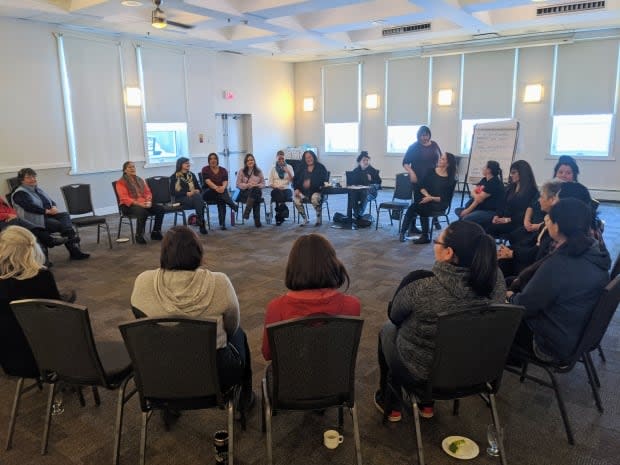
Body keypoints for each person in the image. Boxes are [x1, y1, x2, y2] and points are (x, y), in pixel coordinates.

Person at [374, 221, 505, 421]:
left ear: (448, 253)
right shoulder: (497, 281)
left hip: (422, 374)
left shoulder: (422, 285)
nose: (435, 244)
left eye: (437, 241)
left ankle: (391, 405)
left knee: (388, 331)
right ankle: (426, 406)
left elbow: (395, 316)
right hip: (476, 370)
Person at [131, 226, 253, 411]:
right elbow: (231, 324)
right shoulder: (219, 282)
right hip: (215, 372)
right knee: (239, 334)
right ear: (199, 252)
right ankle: (245, 399)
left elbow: (140, 319)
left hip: (161, 370)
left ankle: (168, 406)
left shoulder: (143, 281)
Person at [508, 198, 610, 364]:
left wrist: (510, 297)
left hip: (550, 344)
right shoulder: (594, 251)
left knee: (489, 320)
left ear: (557, 226)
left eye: (549, 218)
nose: (546, 222)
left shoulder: (561, 264)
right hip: (573, 334)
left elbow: (524, 306)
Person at [262, 233, 360, 361]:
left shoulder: (277, 307)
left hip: (292, 378)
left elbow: (268, 353)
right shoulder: (352, 305)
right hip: (336, 377)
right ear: (332, 263)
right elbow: (346, 349)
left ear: (293, 267)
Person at [0, 226, 63, 378]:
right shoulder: (41, 277)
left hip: (10, 360)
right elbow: (56, 316)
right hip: (47, 358)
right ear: (32, 247)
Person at [11, 168, 89, 260]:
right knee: (58, 225)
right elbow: (30, 207)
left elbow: (50, 201)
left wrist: (54, 207)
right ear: (22, 180)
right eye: (29, 177)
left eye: (34, 176)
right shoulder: (20, 193)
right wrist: (47, 211)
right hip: (33, 219)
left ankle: (69, 237)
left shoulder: (37, 189)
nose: (33, 179)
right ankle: (73, 248)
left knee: (64, 215)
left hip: (47, 215)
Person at [497, 180, 562, 278]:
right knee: (504, 249)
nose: (539, 200)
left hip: (533, 267)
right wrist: (512, 250)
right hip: (530, 256)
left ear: (552, 200)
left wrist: (513, 253)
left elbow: (536, 253)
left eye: (542, 197)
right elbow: (533, 241)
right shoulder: (548, 219)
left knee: (502, 259)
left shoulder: (554, 226)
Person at [400, 152, 457, 244]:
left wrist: (431, 198)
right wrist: (428, 196)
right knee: (414, 206)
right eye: (440, 158)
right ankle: (403, 232)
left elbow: (446, 198)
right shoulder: (431, 171)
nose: (439, 160)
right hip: (428, 199)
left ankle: (425, 236)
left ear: (448, 163)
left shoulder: (451, 179)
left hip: (440, 203)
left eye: (442, 159)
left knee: (421, 206)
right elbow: (421, 186)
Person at [114, 161, 165, 244]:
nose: (132, 168)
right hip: (128, 206)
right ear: (125, 170)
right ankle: (139, 235)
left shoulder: (139, 179)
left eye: (133, 167)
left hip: (143, 203)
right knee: (142, 212)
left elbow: (147, 192)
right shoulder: (121, 182)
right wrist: (139, 204)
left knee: (160, 209)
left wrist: (148, 201)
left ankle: (155, 232)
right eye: (130, 167)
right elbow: (124, 198)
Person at [402, 126, 441, 231]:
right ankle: (413, 226)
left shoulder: (435, 145)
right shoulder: (414, 147)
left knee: (432, 199)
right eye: (422, 135)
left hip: (433, 179)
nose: (425, 137)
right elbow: (405, 163)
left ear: (429, 135)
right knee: (419, 202)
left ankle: (435, 219)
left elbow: (440, 160)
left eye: (426, 135)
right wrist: (411, 173)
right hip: (419, 179)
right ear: (418, 136)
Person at [486, 160, 539, 236]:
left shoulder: (531, 191)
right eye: (511, 173)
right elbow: (502, 204)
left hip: (517, 222)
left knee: (491, 229)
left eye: (514, 173)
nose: (511, 175)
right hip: (505, 219)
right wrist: (497, 215)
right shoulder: (511, 187)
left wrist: (507, 220)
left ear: (522, 173)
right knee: (485, 224)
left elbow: (524, 213)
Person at [0, 195, 67, 250]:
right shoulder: (19, 193)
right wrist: (7, 215)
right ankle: (49, 240)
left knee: (30, 230)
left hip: (8, 219)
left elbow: (8, 209)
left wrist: (13, 215)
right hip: (3, 221)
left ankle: (44, 254)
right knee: (22, 224)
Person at [456, 160, 504, 224]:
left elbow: (478, 200)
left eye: (484, 166)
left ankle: (462, 228)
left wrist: (467, 211)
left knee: (466, 217)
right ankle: (462, 227)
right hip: (480, 207)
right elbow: (473, 192)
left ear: (489, 170)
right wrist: (476, 196)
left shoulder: (494, 182)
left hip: (490, 211)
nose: (482, 168)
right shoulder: (484, 180)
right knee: (458, 210)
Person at [170, 157, 207, 235]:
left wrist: (197, 190)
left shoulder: (192, 175)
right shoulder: (174, 176)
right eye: (186, 163)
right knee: (199, 201)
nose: (188, 164)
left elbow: (199, 188)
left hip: (193, 198)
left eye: (188, 163)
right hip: (180, 198)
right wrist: (186, 193)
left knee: (197, 197)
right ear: (180, 165)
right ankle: (201, 222)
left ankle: (200, 221)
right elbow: (173, 192)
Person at [201, 152, 238, 230]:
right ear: (208, 161)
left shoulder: (223, 170)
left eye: (214, 158)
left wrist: (223, 187)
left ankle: (222, 224)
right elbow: (208, 181)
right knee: (222, 194)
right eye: (211, 159)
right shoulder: (205, 169)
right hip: (208, 192)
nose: (213, 160)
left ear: (217, 160)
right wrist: (217, 188)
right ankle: (232, 205)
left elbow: (225, 181)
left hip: (220, 193)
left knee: (221, 198)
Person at [293, 150, 329, 227]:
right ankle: (305, 219)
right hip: (303, 192)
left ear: (313, 157)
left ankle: (318, 219)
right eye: (306, 158)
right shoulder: (301, 168)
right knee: (295, 199)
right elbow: (295, 180)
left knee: (315, 198)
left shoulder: (320, 167)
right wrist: (296, 189)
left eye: (310, 157)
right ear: (304, 159)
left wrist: (311, 183)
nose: (309, 159)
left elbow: (324, 181)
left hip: (317, 191)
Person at [348, 151, 381, 220]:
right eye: (364, 160)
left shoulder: (373, 170)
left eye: (367, 160)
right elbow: (351, 182)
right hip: (357, 192)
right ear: (359, 162)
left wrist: (371, 180)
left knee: (364, 193)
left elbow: (379, 183)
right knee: (352, 194)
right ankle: (358, 215)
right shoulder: (356, 170)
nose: (366, 162)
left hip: (370, 193)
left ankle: (358, 214)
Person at [235, 153, 265, 228]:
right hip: (245, 193)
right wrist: (247, 185)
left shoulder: (259, 171)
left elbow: (263, 183)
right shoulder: (241, 171)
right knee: (256, 196)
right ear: (245, 162)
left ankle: (247, 213)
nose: (250, 161)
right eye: (248, 160)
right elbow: (238, 184)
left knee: (255, 190)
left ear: (254, 161)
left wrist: (257, 185)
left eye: (251, 160)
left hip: (255, 192)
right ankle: (257, 221)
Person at [268, 150, 294, 226]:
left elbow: (293, 181)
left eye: (282, 158)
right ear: (276, 158)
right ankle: (283, 209)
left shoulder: (289, 167)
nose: (281, 160)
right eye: (279, 159)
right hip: (276, 189)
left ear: (284, 158)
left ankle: (278, 215)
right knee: (276, 193)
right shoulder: (273, 168)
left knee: (280, 196)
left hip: (287, 189)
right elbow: (269, 183)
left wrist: (288, 171)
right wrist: (277, 187)